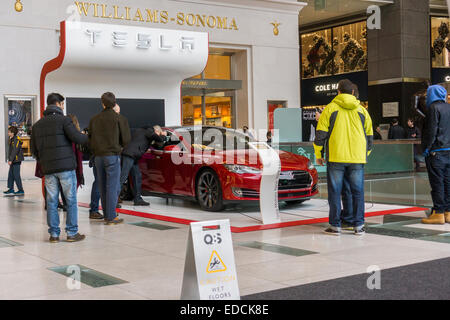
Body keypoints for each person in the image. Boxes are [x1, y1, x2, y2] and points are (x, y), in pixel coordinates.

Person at [314, 79, 373, 236]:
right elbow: (370, 136)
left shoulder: (330, 109)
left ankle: (335, 226)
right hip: (357, 159)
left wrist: (318, 155)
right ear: (353, 92)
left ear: (338, 92)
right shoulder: (362, 111)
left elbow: (320, 135)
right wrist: (364, 154)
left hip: (336, 157)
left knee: (335, 191)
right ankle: (359, 226)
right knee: (358, 191)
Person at [31, 93, 88, 243]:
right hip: (66, 168)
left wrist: (44, 160)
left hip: (49, 169)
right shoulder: (64, 121)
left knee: (51, 201)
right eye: (62, 104)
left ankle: (54, 235)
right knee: (70, 200)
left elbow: (34, 150)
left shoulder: (37, 125)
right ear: (58, 104)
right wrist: (88, 135)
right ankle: (71, 233)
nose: (63, 106)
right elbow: (78, 139)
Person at [88, 92, 131, 225]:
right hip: (112, 156)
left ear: (102, 103)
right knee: (112, 186)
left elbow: (89, 139)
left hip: (98, 157)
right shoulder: (119, 119)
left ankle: (107, 215)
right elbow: (126, 139)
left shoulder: (94, 119)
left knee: (102, 186)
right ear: (114, 102)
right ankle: (111, 217)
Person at [421, 85, 450, 224]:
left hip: (436, 152)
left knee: (437, 183)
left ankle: (438, 213)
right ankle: (448, 212)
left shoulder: (433, 108)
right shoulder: (449, 107)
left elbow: (431, 131)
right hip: (448, 152)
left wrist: (426, 148)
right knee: (447, 182)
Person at [120, 125, 167, 206]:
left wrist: (160, 138)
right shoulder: (149, 130)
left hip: (133, 157)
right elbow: (158, 139)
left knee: (137, 177)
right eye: (158, 134)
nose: (157, 136)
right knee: (122, 178)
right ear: (156, 131)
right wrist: (163, 135)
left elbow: (158, 145)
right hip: (129, 155)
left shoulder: (145, 133)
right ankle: (112, 200)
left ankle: (137, 199)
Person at [4, 126, 24, 196]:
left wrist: (11, 160)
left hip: (16, 160)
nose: (8, 133)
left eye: (9, 132)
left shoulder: (16, 139)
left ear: (13, 133)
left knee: (16, 175)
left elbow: (15, 150)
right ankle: (11, 189)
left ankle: (21, 190)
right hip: (13, 160)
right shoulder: (12, 139)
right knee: (11, 175)